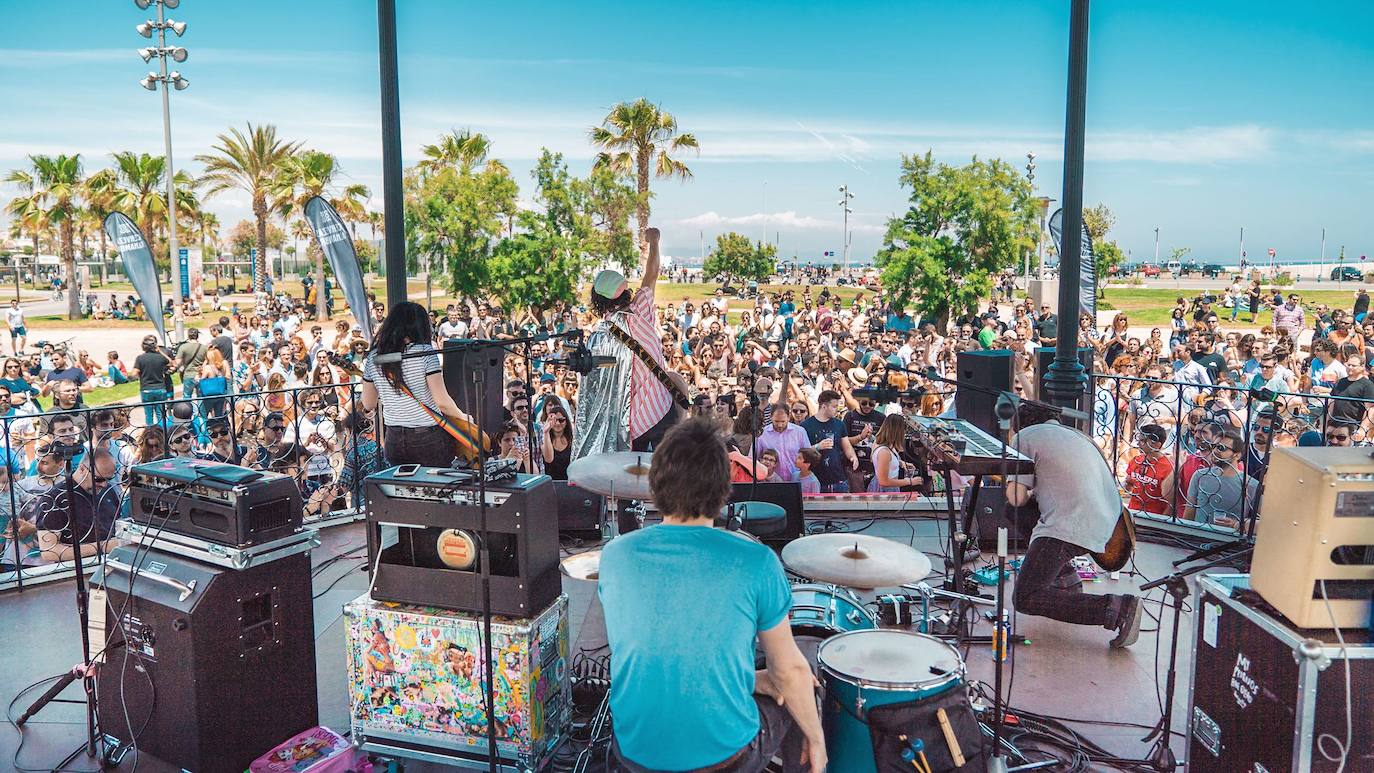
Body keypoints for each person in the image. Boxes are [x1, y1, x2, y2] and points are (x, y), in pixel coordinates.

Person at [597, 418, 825, 772]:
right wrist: (817, 740)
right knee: (802, 678)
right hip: (723, 760)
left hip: (634, 753)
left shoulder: (615, 556)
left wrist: (752, 680)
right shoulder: (756, 561)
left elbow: (671, 651)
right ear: (724, 488)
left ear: (655, 484)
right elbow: (789, 674)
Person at [1004, 403, 1142, 648]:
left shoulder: (1023, 437)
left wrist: (1010, 481)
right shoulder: (1080, 436)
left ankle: (1116, 608)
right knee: (1018, 512)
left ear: (1018, 425)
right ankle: (1064, 577)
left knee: (1025, 597)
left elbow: (1016, 498)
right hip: (1108, 523)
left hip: (1070, 524)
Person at [571, 226, 674, 459]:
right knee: (669, 477)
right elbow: (652, 272)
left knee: (626, 480)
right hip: (659, 409)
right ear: (626, 292)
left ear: (598, 301)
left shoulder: (598, 337)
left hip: (626, 426)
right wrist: (655, 241)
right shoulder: (640, 311)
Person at [360, 301, 472, 468]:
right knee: (434, 489)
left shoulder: (374, 357)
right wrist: (463, 417)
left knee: (402, 491)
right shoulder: (425, 353)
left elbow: (368, 403)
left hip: (394, 437)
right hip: (427, 436)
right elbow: (442, 401)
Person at [28, 448, 121, 563]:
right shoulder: (55, 498)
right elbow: (49, 552)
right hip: (74, 570)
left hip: (110, 563)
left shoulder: (109, 491)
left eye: (109, 479)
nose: (104, 484)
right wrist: (103, 546)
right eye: (98, 479)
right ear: (82, 468)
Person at [800, 390, 858, 493]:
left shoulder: (839, 424)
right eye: (834, 406)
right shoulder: (806, 425)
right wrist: (818, 446)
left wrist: (853, 457)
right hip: (815, 478)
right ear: (824, 406)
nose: (837, 409)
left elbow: (847, 446)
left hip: (838, 478)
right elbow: (801, 451)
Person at [868, 414, 921, 492]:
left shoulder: (887, 446)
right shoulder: (884, 452)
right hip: (884, 491)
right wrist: (910, 481)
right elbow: (883, 481)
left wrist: (900, 463)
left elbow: (885, 462)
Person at [129, 335, 172, 426]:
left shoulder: (140, 358)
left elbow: (134, 373)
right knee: (160, 414)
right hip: (160, 388)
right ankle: (162, 432)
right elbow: (171, 362)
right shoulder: (160, 358)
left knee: (149, 415)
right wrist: (160, 351)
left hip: (146, 388)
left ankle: (150, 433)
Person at [172, 327, 209, 400]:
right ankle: (200, 411)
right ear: (197, 336)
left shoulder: (183, 347)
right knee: (201, 396)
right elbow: (208, 360)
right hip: (201, 374)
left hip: (188, 374)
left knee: (187, 396)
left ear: (188, 336)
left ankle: (188, 411)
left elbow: (177, 362)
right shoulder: (204, 347)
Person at [539, 403, 573, 481]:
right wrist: (546, 432)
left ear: (566, 421)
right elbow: (548, 459)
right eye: (554, 420)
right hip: (550, 483)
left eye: (561, 420)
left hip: (569, 483)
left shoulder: (572, 439)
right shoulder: (544, 437)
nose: (557, 423)